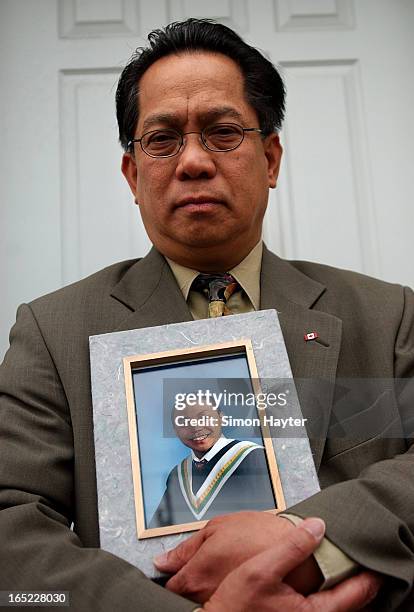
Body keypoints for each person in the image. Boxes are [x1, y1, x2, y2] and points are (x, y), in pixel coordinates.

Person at [0, 17, 412, 611]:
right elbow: (10, 524)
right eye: (162, 140)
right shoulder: (53, 333)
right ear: (132, 174)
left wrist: (311, 544)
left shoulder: (388, 315)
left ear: (270, 159)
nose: (192, 161)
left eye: (222, 133)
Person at [149, 402, 275, 528]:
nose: (196, 428)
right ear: (176, 431)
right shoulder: (177, 475)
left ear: (221, 418)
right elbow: (159, 528)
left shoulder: (254, 456)